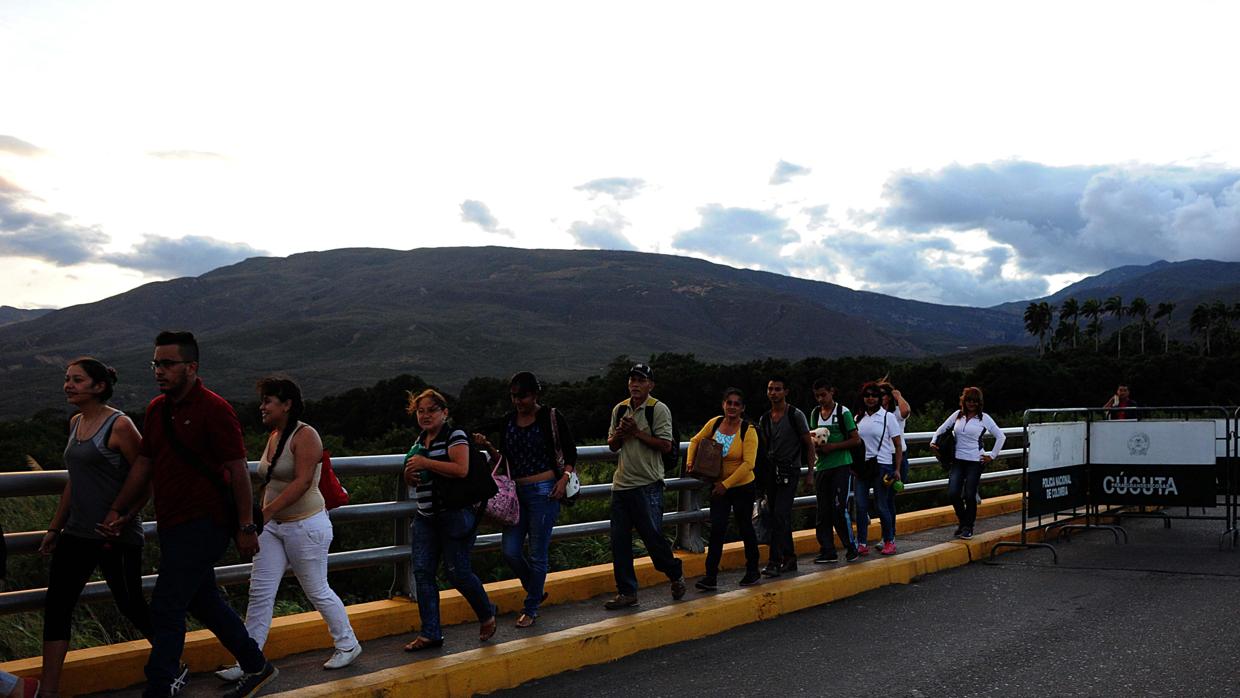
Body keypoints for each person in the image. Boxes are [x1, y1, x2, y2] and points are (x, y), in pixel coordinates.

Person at [101, 331, 277, 698]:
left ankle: (160, 685)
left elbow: (237, 469)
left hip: (206, 522)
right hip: (172, 523)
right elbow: (145, 463)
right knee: (203, 600)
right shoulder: (156, 410)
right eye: (156, 363)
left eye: (168, 364)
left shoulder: (214, 409)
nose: (159, 371)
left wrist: (246, 526)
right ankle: (256, 665)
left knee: (167, 604)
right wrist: (120, 507)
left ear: (191, 367)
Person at [214, 378, 360, 683]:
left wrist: (264, 513)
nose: (262, 407)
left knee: (316, 589)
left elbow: (303, 481)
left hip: (305, 525)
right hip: (272, 528)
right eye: (263, 401)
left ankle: (348, 644)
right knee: (260, 592)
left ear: (287, 404)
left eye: (268, 401)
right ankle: (249, 659)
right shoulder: (275, 435)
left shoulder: (306, 435)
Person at [40, 358, 152, 698]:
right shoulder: (76, 422)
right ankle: (48, 690)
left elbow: (146, 478)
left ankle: (170, 659)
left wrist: (125, 515)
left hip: (115, 536)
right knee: (57, 606)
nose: (68, 385)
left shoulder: (119, 426)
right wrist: (55, 528)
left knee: (130, 604)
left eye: (77, 380)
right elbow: (76, 481)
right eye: (67, 379)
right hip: (76, 533)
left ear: (99, 386)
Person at [474, 371, 577, 628]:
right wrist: (487, 446)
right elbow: (505, 460)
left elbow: (570, 452)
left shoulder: (550, 417)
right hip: (516, 494)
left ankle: (531, 608)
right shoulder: (508, 420)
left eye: (523, 396)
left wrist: (563, 480)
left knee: (538, 553)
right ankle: (535, 589)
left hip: (545, 491)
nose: (518, 401)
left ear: (535, 394)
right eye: (514, 396)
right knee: (510, 550)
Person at [401, 389, 497, 651]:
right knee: (422, 573)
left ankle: (487, 612)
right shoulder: (420, 440)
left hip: (454, 514)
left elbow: (461, 469)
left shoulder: (455, 436)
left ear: (445, 412)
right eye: (421, 411)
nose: (426, 415)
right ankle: (430, 632)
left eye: (432, 410)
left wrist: (425, 462)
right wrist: (411, 474)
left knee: (458, 573)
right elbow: (413, 475)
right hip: (425, 516)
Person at [603, 363, 687, 609]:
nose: (635, 384)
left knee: (653, 539)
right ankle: (627, 592)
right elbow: (612, 445)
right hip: (621, 486)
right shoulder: (620, 409)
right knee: (619, 542)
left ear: (651, 384)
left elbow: (666, 446)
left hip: (648, 485)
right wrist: (620, 434)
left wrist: (637, 432)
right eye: (632, 380)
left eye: (640, 380)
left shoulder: (658, 409)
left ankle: (674, 573)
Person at [688, 388, 761, 591]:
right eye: (729, 402)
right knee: (717, 530)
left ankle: (753, 570)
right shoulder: (715, 423)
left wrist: (725, 485)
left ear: (743, 408)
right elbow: (695, 440)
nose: (732, 407)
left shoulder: (749, 430)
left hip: (742, 486)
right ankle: (710, 576)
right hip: (719, 487)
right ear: (723, 404)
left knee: (745, 527)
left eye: (737, 404)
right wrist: (690, 462)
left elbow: (749, 464)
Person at [930, 387, 1007, 540]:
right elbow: (941, 429)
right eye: (969, 400)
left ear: (979, 403)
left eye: (975, 401)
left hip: (975, 461)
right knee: (953, 493)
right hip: (957, 460)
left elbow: (1001, 436)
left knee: (969, 494)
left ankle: (968, 527)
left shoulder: (984, 418)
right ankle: (963, 521)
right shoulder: (957, 415)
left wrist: (991, 455)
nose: (971, 403)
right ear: (963, 401)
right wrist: (933, 442)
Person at [757, 377, 813, 577]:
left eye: (778, 389)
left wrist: (810, 474)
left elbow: (809, 443)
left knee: (780, 514)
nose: (773, 393)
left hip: (790, 470)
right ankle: (790, 558)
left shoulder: (795, 415)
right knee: (776, 515)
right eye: (770, 389)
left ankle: (775, 561)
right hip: (772, 472)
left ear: (785, 391)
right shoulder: (765, 418)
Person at [808, 380, 861, 564]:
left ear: (832, 392)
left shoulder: (843, 412)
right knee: (823, 511)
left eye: (823, 394)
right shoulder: (815, 413)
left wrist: (834, 447)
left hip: (840, 465)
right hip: (822, 467)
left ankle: (850, 547)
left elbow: (856, 440)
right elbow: (812, 436)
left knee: (839, 509)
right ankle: (827, 550)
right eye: (817, 396)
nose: (821, 399)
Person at [854, 382, 904, 556]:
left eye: (874, 395)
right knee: (860, 506)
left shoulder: (887, 417)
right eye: (867, 395)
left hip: (882, 465)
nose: (870, 398)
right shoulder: (858, 418)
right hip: (862, 467)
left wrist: (896, 469)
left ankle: (889, 540)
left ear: (879, 398)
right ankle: (861, 542)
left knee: (881, 505)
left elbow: (898, 445)